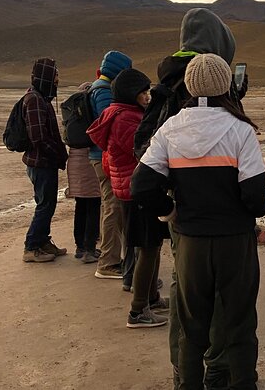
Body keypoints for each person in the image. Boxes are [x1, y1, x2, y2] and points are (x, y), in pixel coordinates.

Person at [131, 53, 265, 389]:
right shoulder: (240, 131)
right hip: (235, 243)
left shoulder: (171, 129)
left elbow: (141, 185)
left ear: (190, 85)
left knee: (191, 331)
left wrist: (169, 212)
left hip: (191, 242)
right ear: (227, 84)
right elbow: (256, 200)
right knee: (239, 325)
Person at [87, 68, 168, 328]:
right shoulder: (126, 119)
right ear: (131, 94)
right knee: (148, 248)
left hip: (130, 188)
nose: (147, 96)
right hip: (137, 191)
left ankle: (151, 298)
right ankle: (138, 310)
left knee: (152, 246)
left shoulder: (125, 114)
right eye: (143, 92)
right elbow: (144, 150)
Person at [89, 50, 132, 279]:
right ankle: (108, 262)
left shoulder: (98, 88)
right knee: (113, 209)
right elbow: (112, 123)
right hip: (105, 158)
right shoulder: (104, 92)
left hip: (102, 157)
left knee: (113, 207)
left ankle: (117, 257)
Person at [21, 57, 69, 262]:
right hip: (40, 163)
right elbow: (38, 136)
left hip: (44, 162)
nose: (57, 79)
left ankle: (42, 241)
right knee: (44, 205)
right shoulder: (34, 99)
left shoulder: (42, 97)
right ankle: (31, 247)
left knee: (48, 204)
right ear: (46, 76)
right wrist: (57, 154)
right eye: (55, 75)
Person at [65, 82, 102, 264]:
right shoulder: (90, 113)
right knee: (94, 205)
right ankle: (89, 249)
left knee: (80, 206)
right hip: (89, 161)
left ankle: (80, 247)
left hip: (75, 161)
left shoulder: (73, 116)